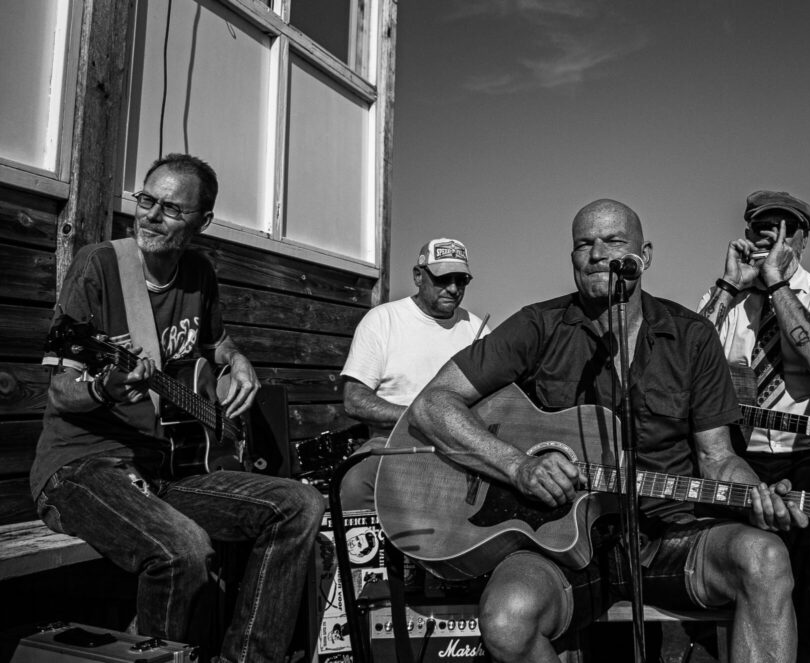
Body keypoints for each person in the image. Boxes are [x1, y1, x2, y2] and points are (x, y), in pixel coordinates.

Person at [410, 199, 807, 663]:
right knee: (506, 619)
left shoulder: (692, 335)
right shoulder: (538, 325)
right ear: (573, 258)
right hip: (557, 541)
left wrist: (757, 495)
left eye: (614, 241)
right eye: (584, 243)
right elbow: (432, 404)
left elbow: (718, 458)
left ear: (646, 254)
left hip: (669, 536)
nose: (598, 253)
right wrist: (518, 467)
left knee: (766, 558)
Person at [31, 154, 326, 663]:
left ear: (202, 222)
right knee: (183, 550)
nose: (150, 215)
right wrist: (105, 389)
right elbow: (61, 392)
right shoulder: (99, 266)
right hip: (83, 467)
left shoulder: (198, 274)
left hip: (166, 468)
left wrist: (238, 361)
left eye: (170, 208)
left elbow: (217, 341)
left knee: (300, 504)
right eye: (146, 200)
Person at [696, 190, 810, 663]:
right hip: (738, 454)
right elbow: (680, 362)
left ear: (801, 242)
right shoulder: (727, 297)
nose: (771, 234)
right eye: (762, 227)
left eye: (785, 228)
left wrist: (776, 285)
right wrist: (729, 286)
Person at [337, 237, 489, 509]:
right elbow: (354, 400)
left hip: (461, 446)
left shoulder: (477, 330)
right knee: (355, 481)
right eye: (443, 279)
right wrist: (422, 417)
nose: (453, 289)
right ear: (418, 276)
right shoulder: (383, 321)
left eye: (461, 280)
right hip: (394, 442)